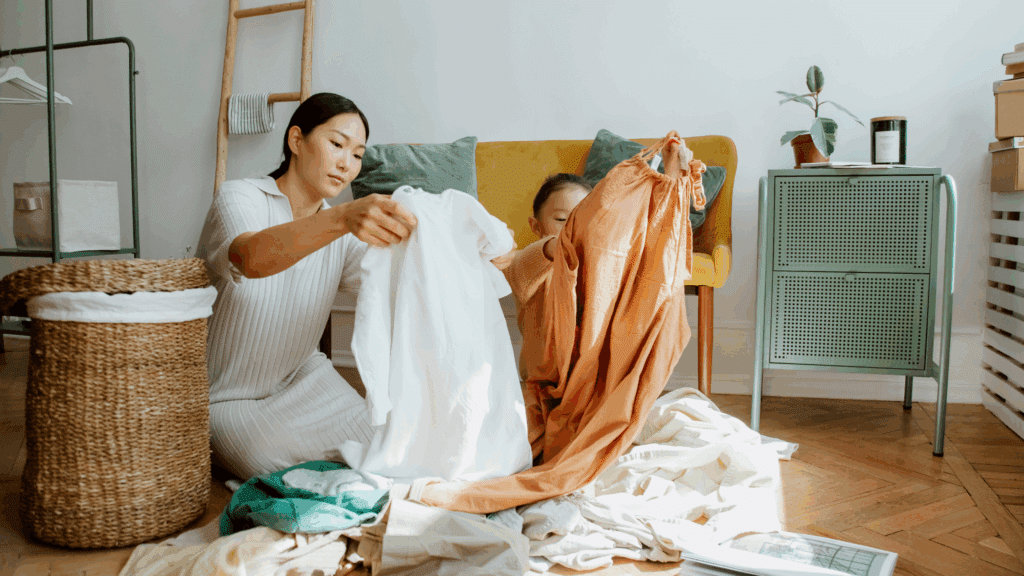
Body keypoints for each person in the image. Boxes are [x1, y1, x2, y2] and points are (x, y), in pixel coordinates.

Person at [196, 93, 513, 480]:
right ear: (296, 140)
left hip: (305, 380)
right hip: (228, 396)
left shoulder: (344, 233)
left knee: (386, 448)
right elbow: (250, 258)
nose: (347, 164)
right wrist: (344, 217)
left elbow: (405, 283)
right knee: (272, 464)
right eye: (337, 145)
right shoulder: (239, 196)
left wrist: (467, 255)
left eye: (358, 154)